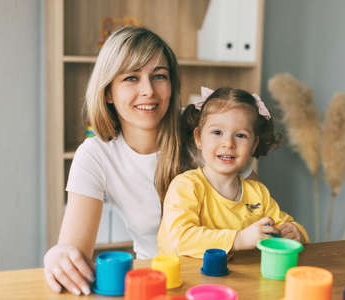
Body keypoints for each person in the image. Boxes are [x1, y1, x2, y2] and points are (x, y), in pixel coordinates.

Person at [42, 26, 184, 296]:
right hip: (155, 284)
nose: (148, 91)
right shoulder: (95, 155)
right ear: (108, 92)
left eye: (160, 76)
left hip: (223, 276)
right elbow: (74, 252)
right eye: (131, 78)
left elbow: (256, 208)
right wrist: (59, 257)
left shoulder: (208, 132)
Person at [157, 87, 309, 258]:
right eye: (217, 132)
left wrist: (297, 232)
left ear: (253, 145)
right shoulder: (186, 186)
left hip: (235, 281)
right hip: (187, 281)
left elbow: (283, 224)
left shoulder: (258, 193)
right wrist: (239, 239)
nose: (228, 143)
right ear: (199, 138)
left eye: (240, 135)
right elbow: (180, 239)